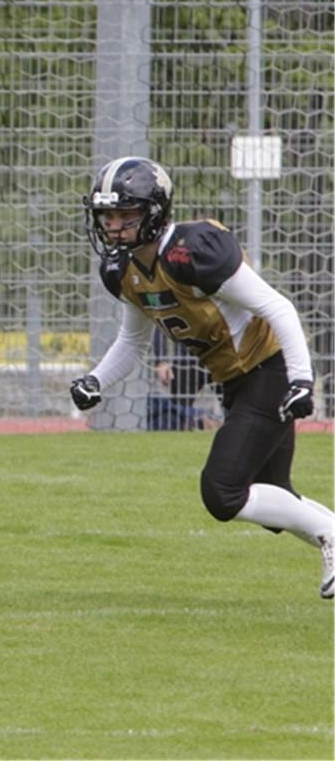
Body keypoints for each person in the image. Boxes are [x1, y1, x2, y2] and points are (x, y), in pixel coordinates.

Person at [71, 156, 333, 598]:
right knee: (273, 500)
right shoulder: (123, 271)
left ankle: (331, 534)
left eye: (125, 215)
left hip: (269, 370)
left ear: (154, 212)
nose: (114, 226)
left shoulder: (193, 252)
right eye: (108, 216)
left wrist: (301, 380)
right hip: (237, 380)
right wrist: (97, 380)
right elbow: (132, 341)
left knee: (222, 492)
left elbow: (277, 307)